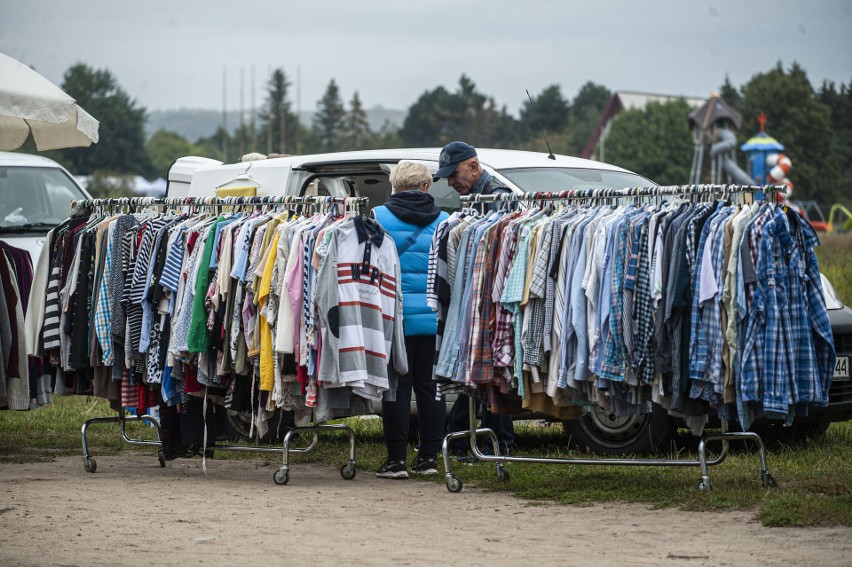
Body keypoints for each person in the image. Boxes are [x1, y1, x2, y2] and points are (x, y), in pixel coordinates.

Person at [432, 141, 516, 458]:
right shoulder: (477, 199)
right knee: (479, 373)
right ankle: (460, 439)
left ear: (474, 166)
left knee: (488, 372)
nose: (452, 183)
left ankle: (497, 443)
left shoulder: (498, 198)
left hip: (494, 299)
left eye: (454, 174)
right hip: (482, 297)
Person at [372, 161, 449, 479]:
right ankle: (429, 458)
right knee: (431, 389)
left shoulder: (377, 217)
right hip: (433, 319)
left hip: (395, 319)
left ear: (394, 185)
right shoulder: (446, 220)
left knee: (396, 389)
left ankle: (396, 461)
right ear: (427, 187)